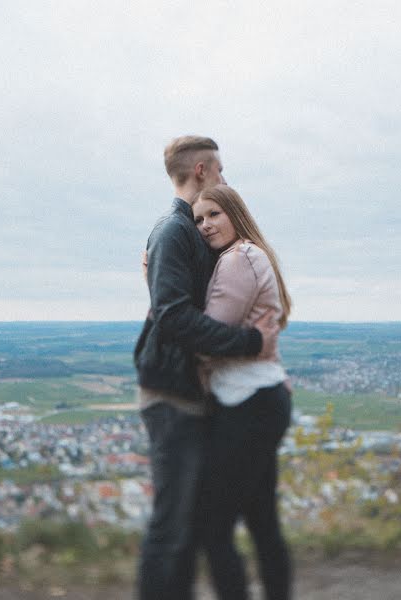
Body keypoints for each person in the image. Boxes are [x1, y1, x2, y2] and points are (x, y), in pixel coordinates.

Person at [134, 136, 280, 600]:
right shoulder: (173, 231)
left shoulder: (192, 233)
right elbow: (174, 317)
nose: (224, 178)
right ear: (201, 170)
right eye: (220, 169)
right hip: (172, 393)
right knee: (172, 526)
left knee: (190, 528)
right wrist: (249, 342)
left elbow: (200, 300)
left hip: (193, 395)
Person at [191, 184, 293, 600]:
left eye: (214, 214)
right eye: (198, 219)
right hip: (259, 399)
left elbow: (205, 338)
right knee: (261, 521)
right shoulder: (246, 256)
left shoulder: (240, 258)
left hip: (247, 404)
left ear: (235, 213)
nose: (205, 225)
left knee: (213, 528)